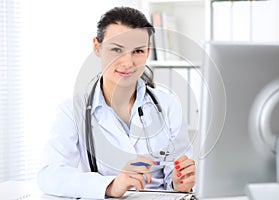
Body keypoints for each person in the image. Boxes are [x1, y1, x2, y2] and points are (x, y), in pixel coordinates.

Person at [37, 6, 195, 199]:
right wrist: (111, 185)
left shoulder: (168, 105)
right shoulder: (72, 110)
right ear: (97, 47)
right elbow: (50, 174)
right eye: (116, 49)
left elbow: (177, 174)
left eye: (137, 51)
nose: (127, 63)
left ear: (148, 51)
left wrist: (180, 181)